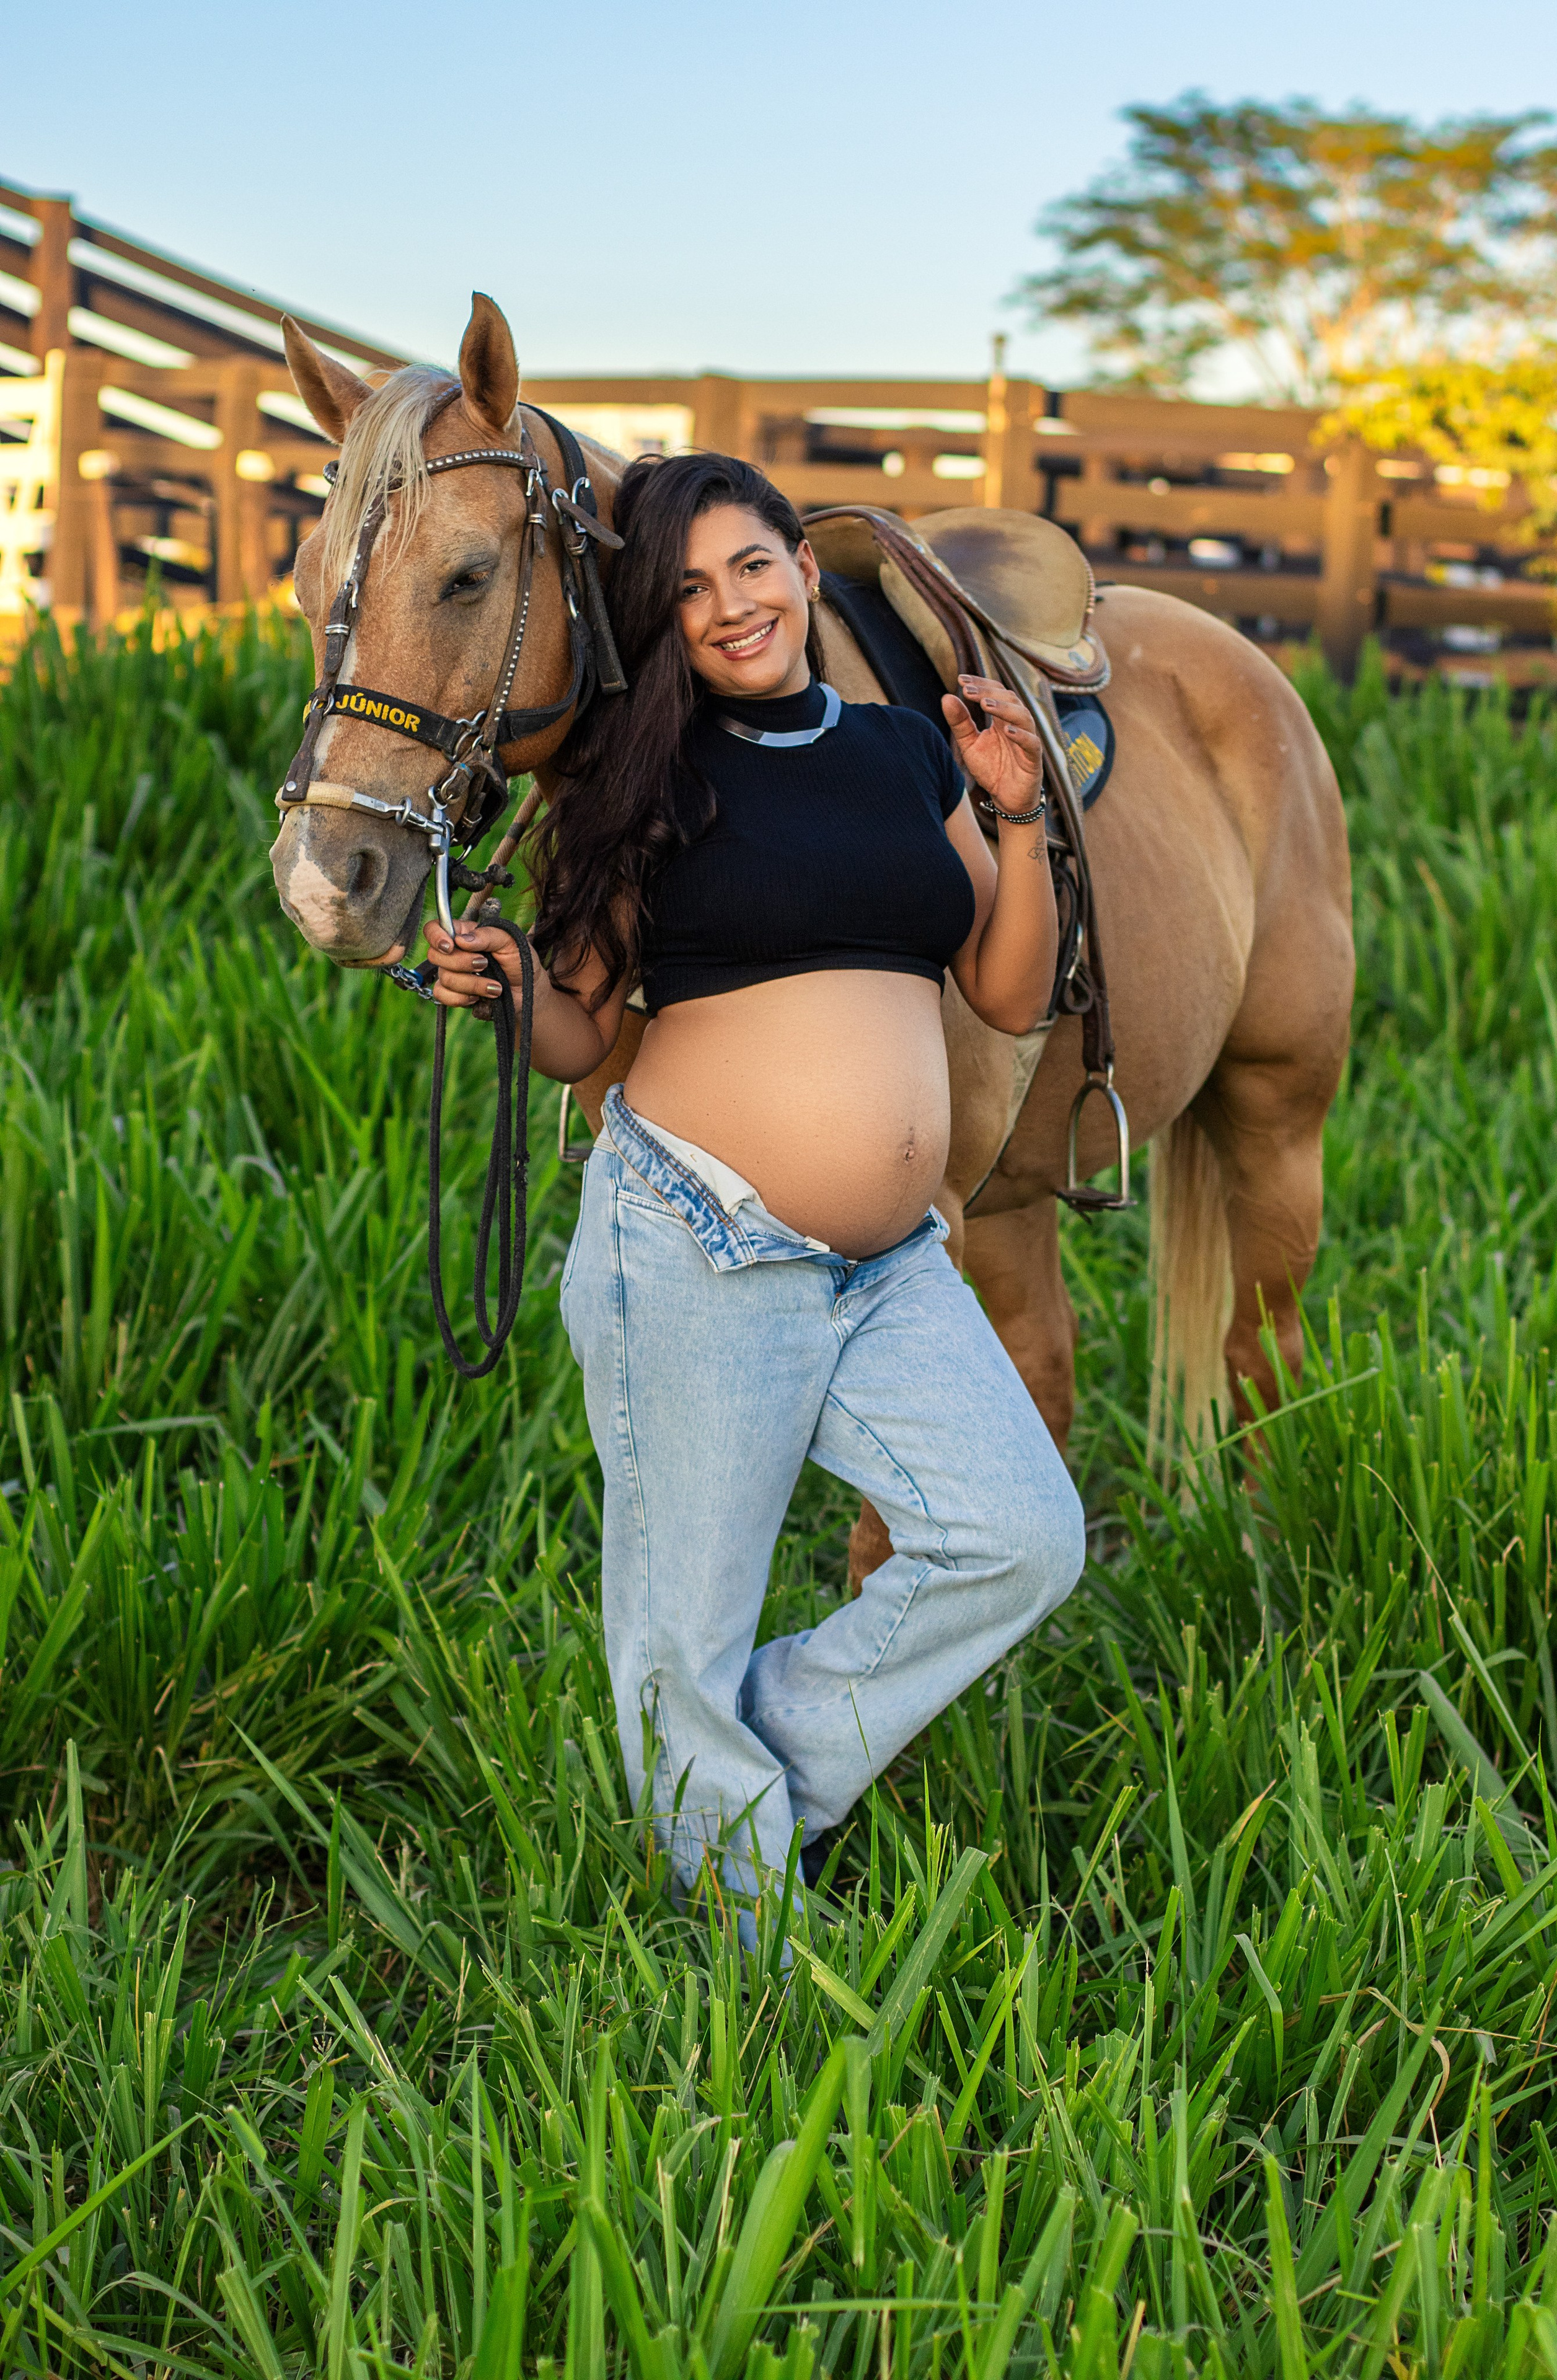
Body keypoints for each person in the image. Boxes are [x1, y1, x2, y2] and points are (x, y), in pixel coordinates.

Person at [423, 452, 1085, 1940]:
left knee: (1019, 1537)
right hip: (696, 1241)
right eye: (685, 592)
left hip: (889, 1266)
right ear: (657, 627)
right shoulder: (633, 777)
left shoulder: (905, 753)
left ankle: (747, 1773)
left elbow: (1006, 983)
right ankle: (746, 1962)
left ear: (800, 561)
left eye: (751, 566)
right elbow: (583, 1038)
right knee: (685, 1625)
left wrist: (1019, 814)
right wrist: (514, 990)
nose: (730, 607)